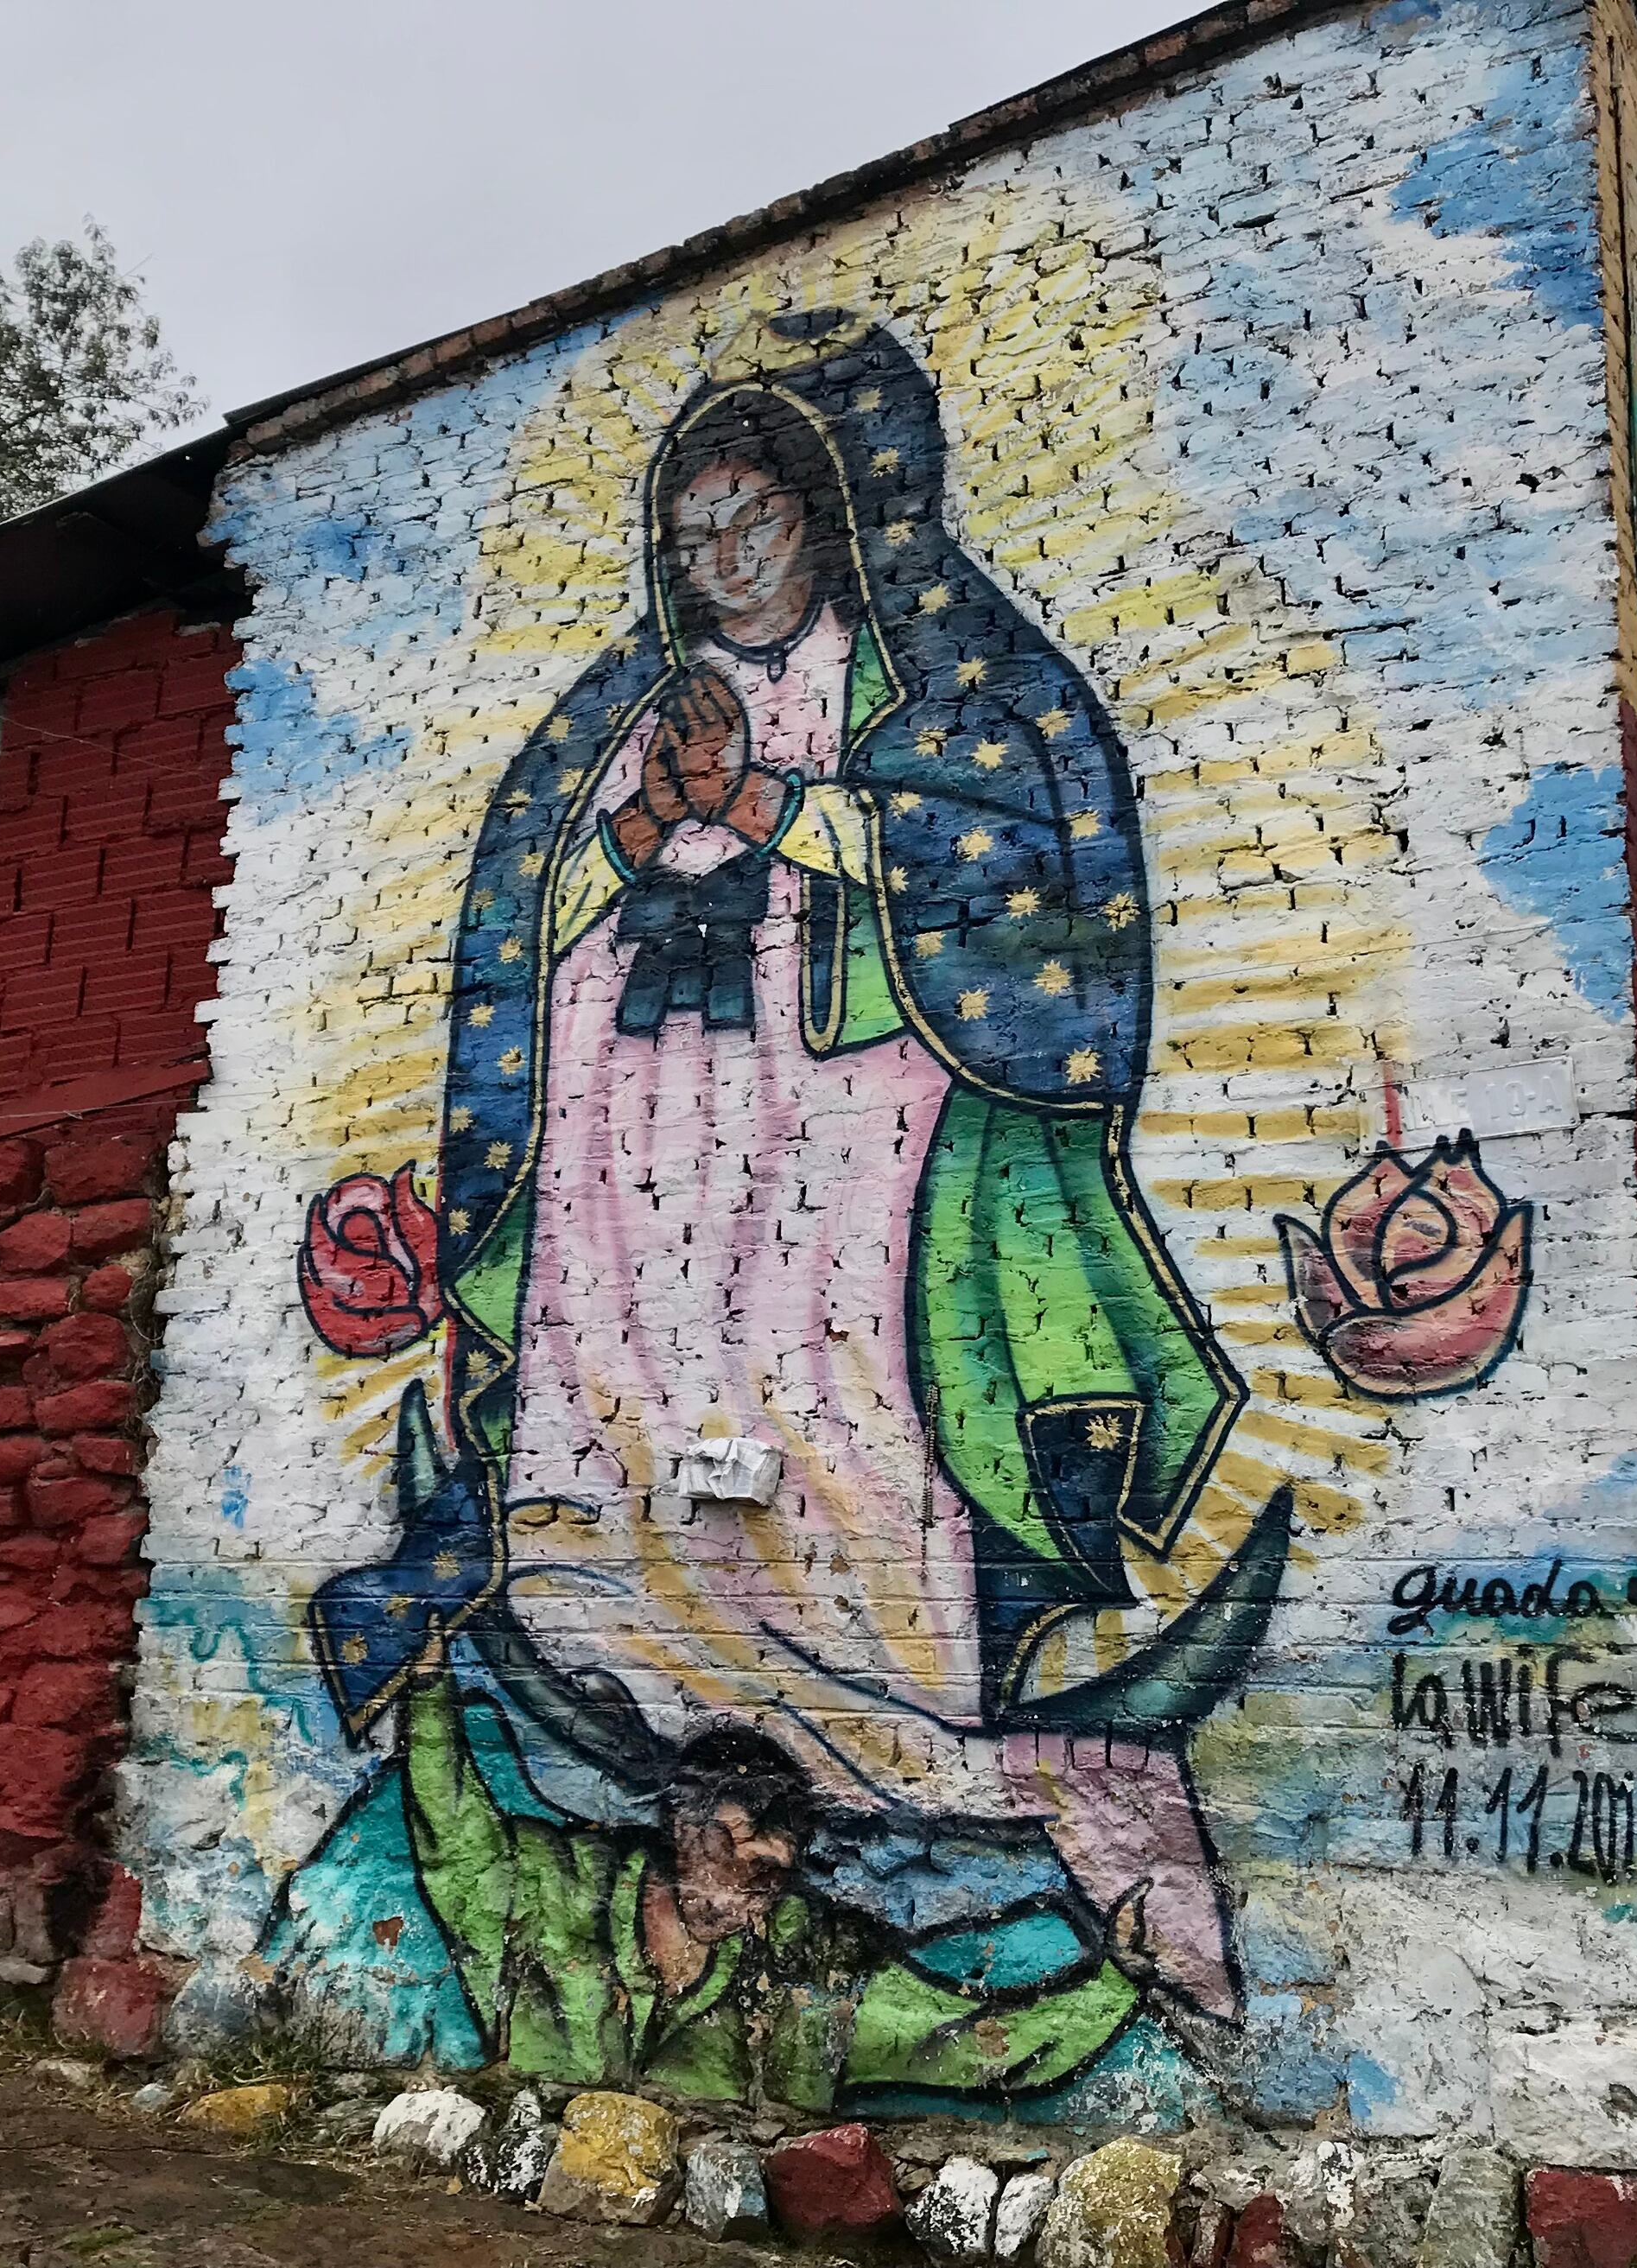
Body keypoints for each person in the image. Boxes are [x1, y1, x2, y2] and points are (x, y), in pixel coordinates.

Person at [359, 311, 1247, 2021]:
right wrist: (646, 819)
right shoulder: (628, 711)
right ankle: (637, 1694)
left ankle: (897, 1742)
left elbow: (984, 872)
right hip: (625, 1140)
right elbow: (536, 913)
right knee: (621, 1419)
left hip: (839, 1125)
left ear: (828, 518)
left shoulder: (926, 693)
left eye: (750, 523)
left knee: (836, 1415)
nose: (722, 563)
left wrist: (765, 805)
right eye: (691, 536)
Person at [393, 1672, 1147, 2107]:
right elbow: (452, 1829)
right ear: (683, 1825)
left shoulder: (812, 1964)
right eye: (736, 1851)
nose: (750, 1889)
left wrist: (1121, 1974)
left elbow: (957, 2040)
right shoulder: (554, 1890)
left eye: (772, 1875)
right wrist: (427, 1676)